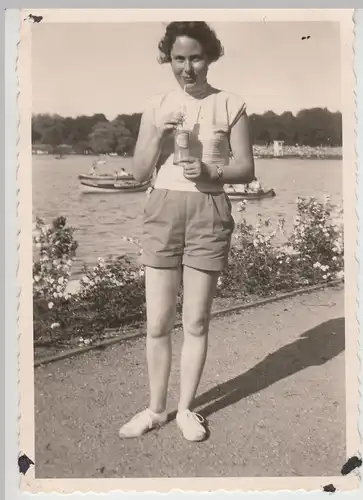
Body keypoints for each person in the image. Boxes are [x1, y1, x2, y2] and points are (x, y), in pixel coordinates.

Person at [119, 21, 255, 442]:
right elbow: (140, 173)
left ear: (210, 57)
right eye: (179, 58)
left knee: (195, 321)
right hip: (162, 208)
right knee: (158, 321)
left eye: (196, 57)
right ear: (168, 59)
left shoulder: (231, 103)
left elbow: (247, 169)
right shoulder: (156, 103)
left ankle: (185, 411)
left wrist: (211, 170)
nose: (188, 67)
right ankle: (156, 409)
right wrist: (158, 132)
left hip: (209, 211)